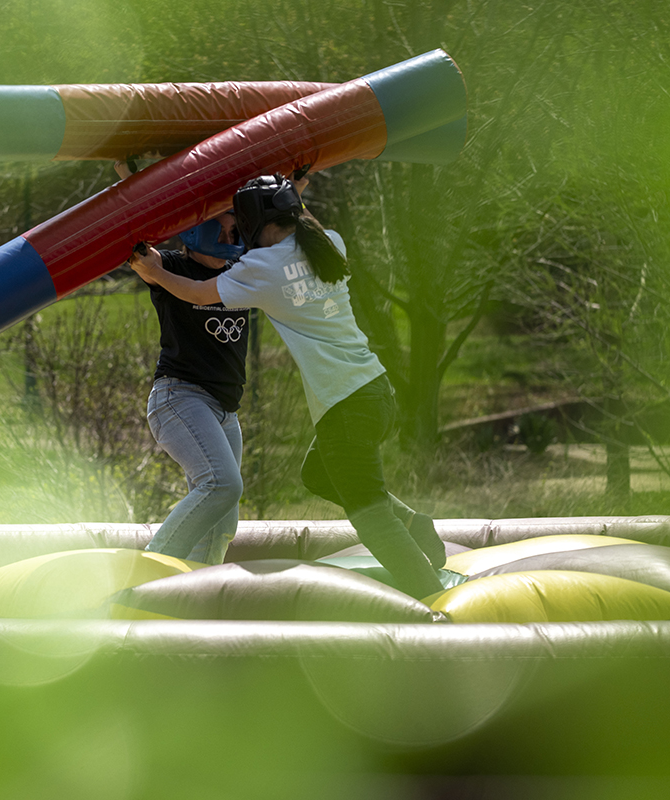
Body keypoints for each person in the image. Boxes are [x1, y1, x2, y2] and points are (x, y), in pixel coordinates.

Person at [130, 174, 446, 599]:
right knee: (317, 473)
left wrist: (153, 271)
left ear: (254, 223)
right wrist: (291, 188)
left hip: (344, 407)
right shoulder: (330, 243)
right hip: (375, 390)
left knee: (369, 514)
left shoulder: (264, 267)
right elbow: (303, 221)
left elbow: (200, 294)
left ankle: (430, 599)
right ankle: (412, 523)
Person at [116, 161, 250, 565]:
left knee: (223, 521)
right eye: (223, 223)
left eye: (236, 224)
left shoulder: (243, 272)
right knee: (222, 484)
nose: (232, 232)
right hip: (180, 397)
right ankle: (148, 573)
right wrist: (131, 178)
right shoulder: (172, 267)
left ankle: (193, 600)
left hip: (225, 410)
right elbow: (139, 248)